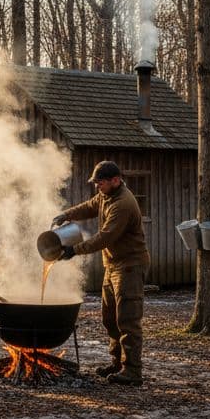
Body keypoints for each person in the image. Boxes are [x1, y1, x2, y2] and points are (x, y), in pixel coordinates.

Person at [52, 161, 150, 386]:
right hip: (113, 265)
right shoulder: (106, 196)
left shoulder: (123, 204)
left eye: (101, 183)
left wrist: (74, 250)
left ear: (115, 180)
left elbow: (105, 237)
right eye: (96, 183)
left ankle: (132, 371)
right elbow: (89, 206)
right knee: (110, 318)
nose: (97, 187)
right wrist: (65, 215)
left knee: (128, 319)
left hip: (130, 265)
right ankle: (117, 363)